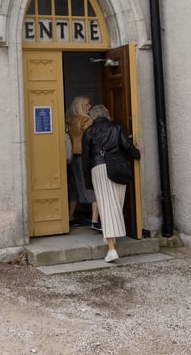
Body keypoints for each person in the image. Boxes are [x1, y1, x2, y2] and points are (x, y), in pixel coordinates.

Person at [81, 104, 141, 263]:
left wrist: (88, 183)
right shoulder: (117, 127)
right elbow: (127, 146)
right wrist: (138, 153)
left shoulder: (88, 133)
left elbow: (86, 160)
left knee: (107, 206)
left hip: (99, 168)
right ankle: (110, 237)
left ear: (92, 117)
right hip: (119, 167)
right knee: (116, 204)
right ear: (106, 114)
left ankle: (112, 249)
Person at [66, 96, 100, 230]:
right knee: (90, 186)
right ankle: (95, 219)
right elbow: (92, 138)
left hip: (73, 157)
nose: (89, 107)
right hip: (84, 157)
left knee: (74, 187)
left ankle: (70, 216)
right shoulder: (86, 120)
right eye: (86, 104)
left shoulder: (69, 120)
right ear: (80, 106)